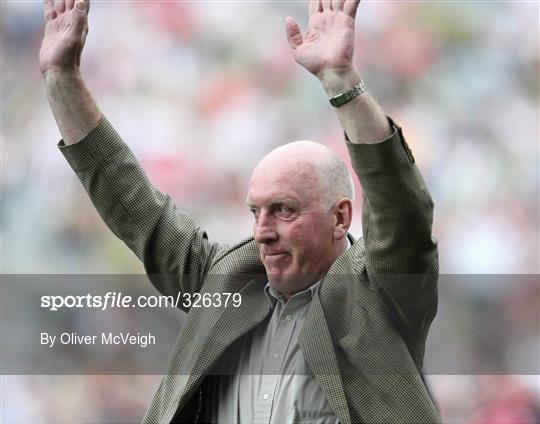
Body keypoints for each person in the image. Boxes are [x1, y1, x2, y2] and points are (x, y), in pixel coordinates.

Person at [40, 0, 441, 422]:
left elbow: (400, 210)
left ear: (340, 218)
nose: (263, 231)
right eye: (256, 212)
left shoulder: (379, 294)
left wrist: (342, 82)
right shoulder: (231, 280)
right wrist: (61, 78)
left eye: (284, 210)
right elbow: (130, 200)